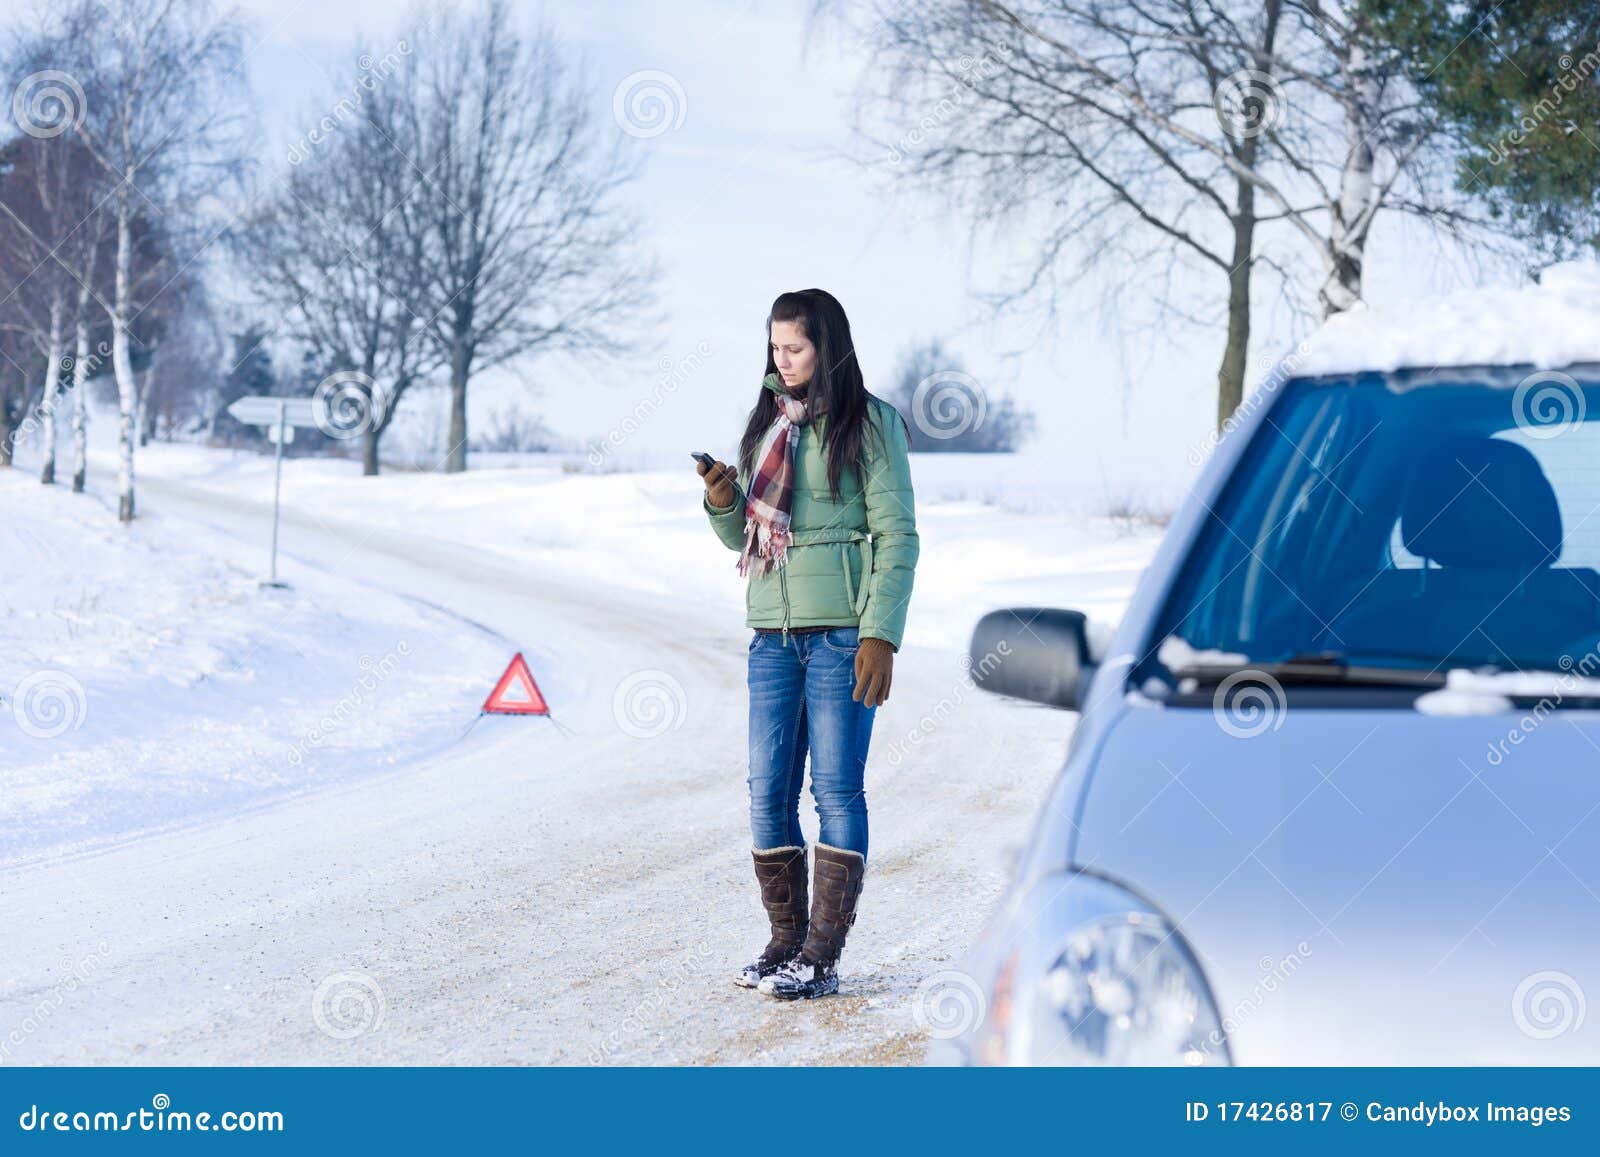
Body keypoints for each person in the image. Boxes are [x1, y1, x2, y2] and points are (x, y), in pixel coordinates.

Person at [696, 288, 919, 1000]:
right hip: (772, 634)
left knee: (836, 788)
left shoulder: (871, 424)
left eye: (793, 347)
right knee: (767, 793)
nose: (781, 360)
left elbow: (898, 536)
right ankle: (784, 941)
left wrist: (880, 633)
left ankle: (821, 952)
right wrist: (724, 499)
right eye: (773, 347)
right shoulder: (768, 424)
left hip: (841, 632)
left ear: (826, 345)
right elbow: (746, 538)